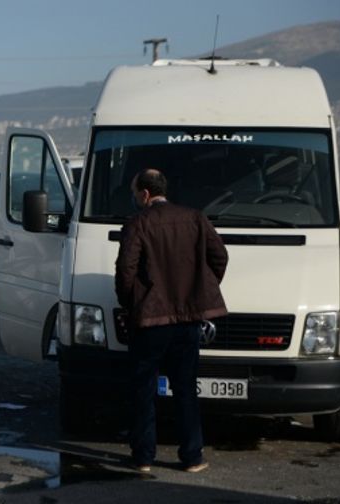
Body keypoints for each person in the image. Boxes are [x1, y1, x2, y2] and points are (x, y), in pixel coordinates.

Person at [114, 168, 228, 474]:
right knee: (186, 389)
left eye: (135, 193)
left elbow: (126, 270)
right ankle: (192, 457)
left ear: (145, 194)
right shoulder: (195, 218)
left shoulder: (137, 223)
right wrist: (200, 289)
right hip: (188, 319)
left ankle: (143, 457)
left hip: (149, 320)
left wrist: (132, 302)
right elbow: (220, 257)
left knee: (143, 389)